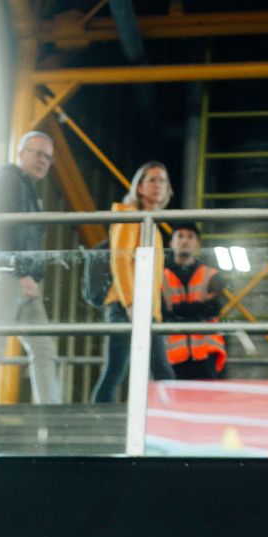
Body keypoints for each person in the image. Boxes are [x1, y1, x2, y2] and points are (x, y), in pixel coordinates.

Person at [0, 131, 61, 407]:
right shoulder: (8, 180)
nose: (42, 160)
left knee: (44, 349)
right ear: (21, 153)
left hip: (25, 279)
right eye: (37, 153)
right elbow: (2, 227)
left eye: (48, 157)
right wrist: (22, 271)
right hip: (9, 275)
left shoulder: (27, 189)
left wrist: (29, 274)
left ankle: (50, 413)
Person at [90, 161, 176, 404]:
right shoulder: (130, 216)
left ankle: (166, 423)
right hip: (125, 305)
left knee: (152, 370)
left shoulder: (152, 225)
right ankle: (98, 421)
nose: (158, 185)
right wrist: (130, 303)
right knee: (122, 370)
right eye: (152, 179)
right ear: (139, 187)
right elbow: (121, 261)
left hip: (145, 309)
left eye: (163, 180)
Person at [161, 223, 226, 380]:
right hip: (170, 355)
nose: (185, 241)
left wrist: (176, 309)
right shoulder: (160, 276)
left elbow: (214, 308)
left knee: (205, 403)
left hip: (206, 355)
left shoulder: (211, 275)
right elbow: (161, 312)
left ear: (197, 243)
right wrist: (198, 310)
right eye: (180, 236)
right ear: (171, 243)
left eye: (190, 236)